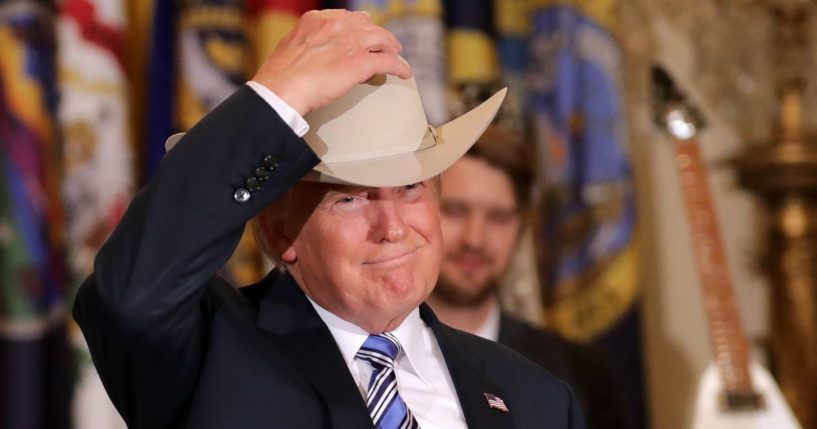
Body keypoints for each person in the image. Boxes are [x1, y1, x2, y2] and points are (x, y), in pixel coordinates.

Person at [72, 9, 584, 429]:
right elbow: (132, 294)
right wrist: (276, 101)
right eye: (351, 200)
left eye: (410, 188)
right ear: (278, 230)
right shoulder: (211, 354)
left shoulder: (537, 400)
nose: (393, 228)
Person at [426, 120, 632, 429]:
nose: (474, 239)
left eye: (497, 217)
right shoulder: (371, 358)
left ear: (521, 229)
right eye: (456, 211)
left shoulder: (580, 375)